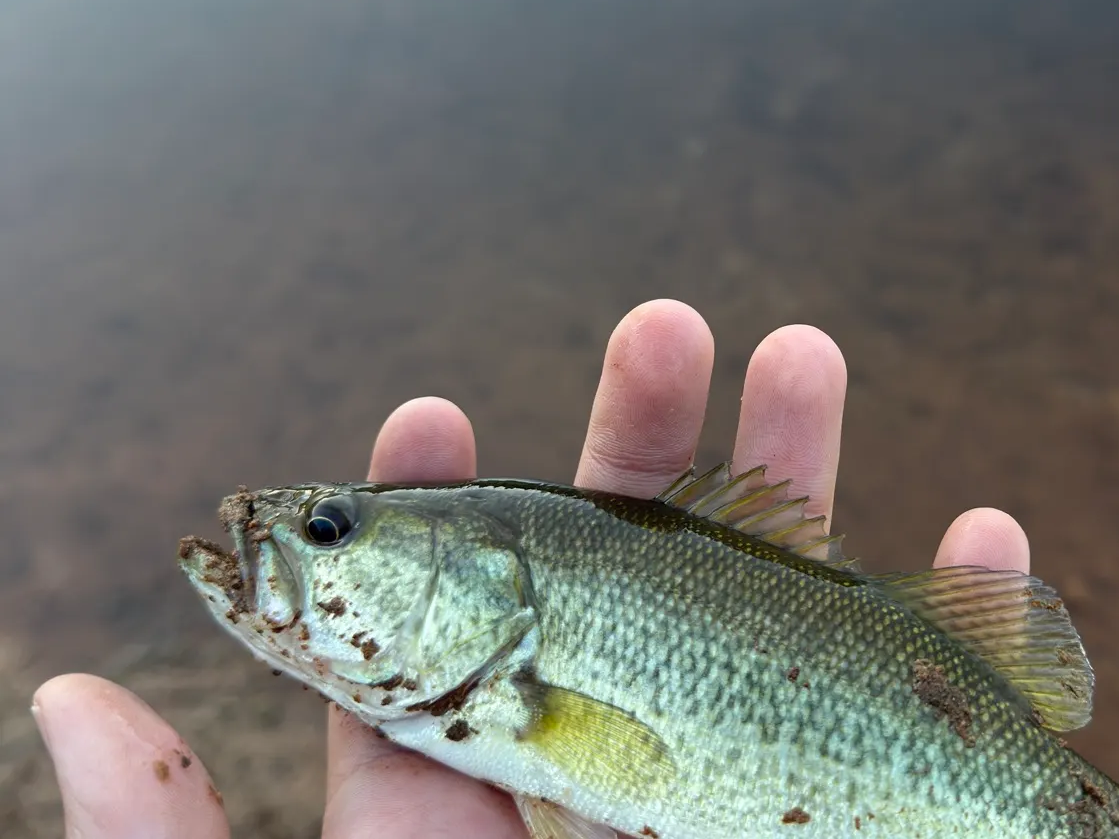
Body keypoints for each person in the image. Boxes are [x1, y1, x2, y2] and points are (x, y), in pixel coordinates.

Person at [31, 300, 1030, 838]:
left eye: (328, 530)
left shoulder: (506, 687)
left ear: (493, 584)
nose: (284, 536)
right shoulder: (493, 692)